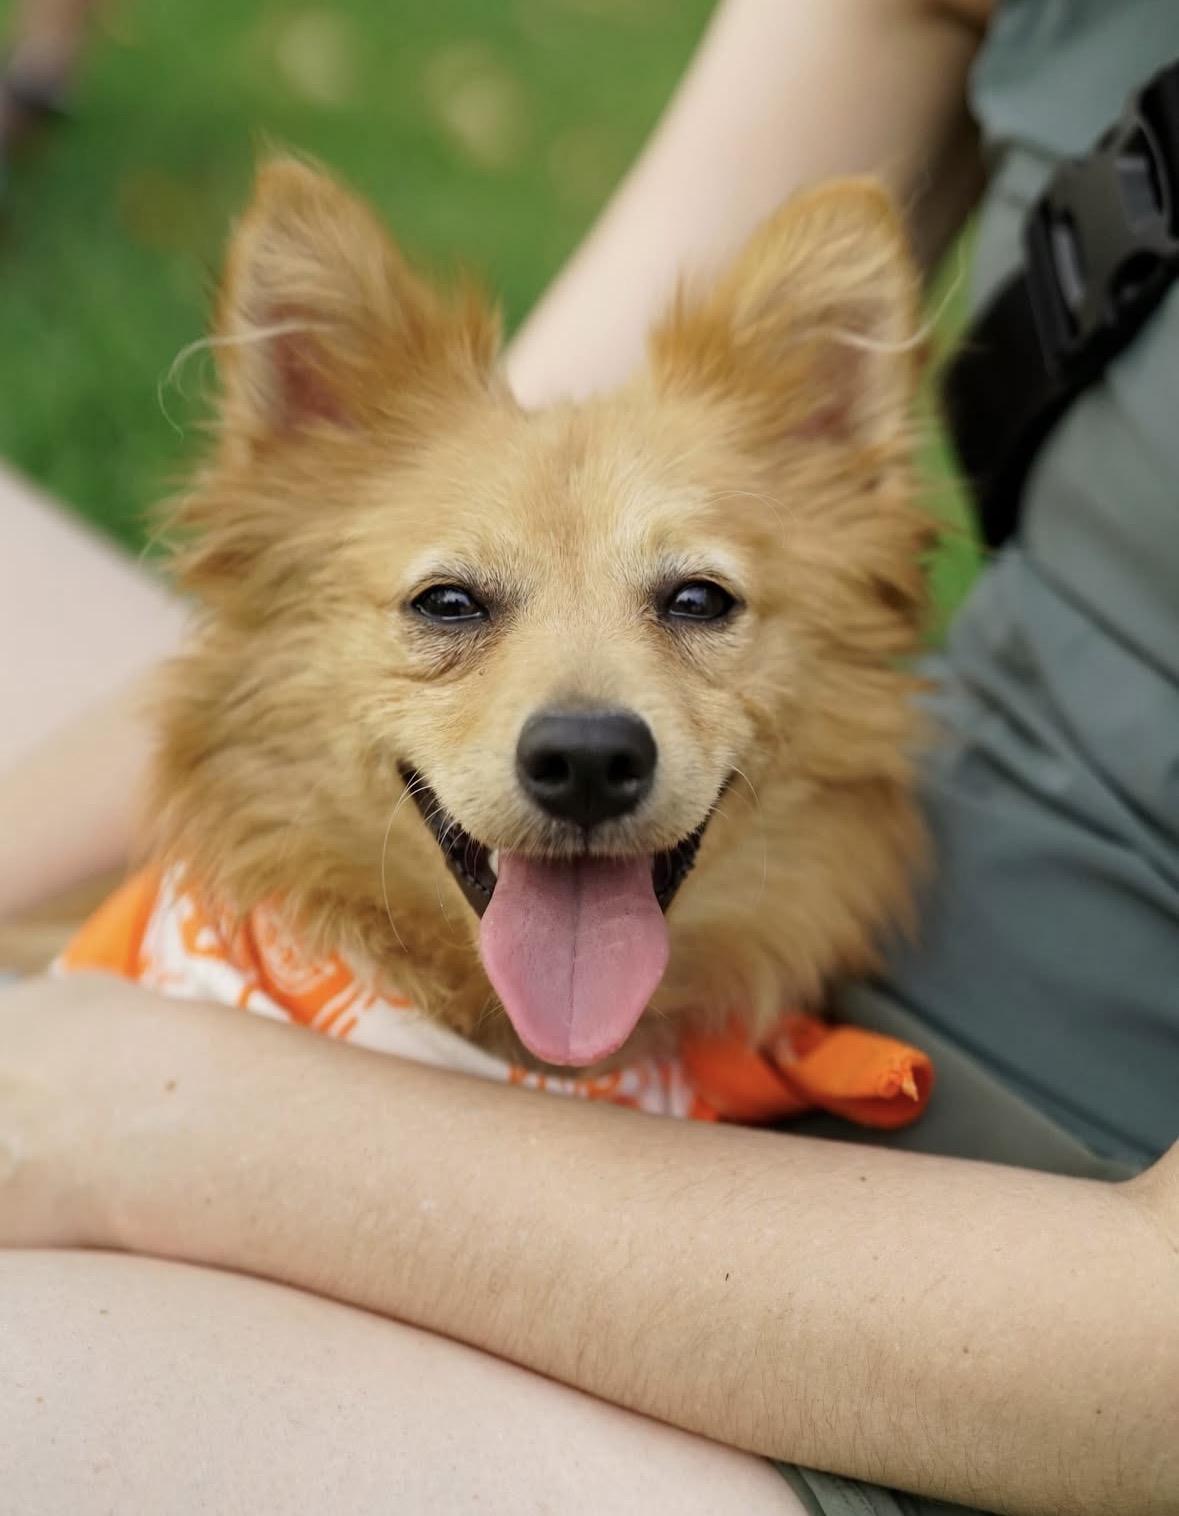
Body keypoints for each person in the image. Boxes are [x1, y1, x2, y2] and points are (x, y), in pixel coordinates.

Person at [2, 1, 1177, 1513]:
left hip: (972, 1296)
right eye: (452, 606)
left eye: (695, 603)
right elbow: (543, 419)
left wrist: (158, 1124)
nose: (583, 725)